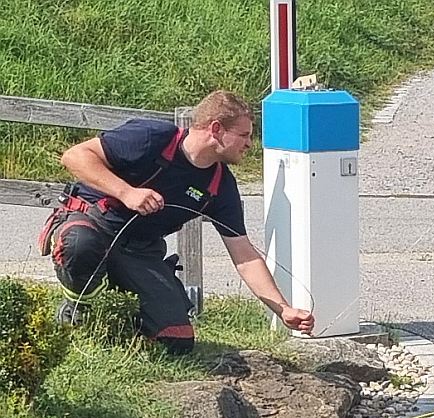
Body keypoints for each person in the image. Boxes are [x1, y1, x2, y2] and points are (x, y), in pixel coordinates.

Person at [38, 90, 314, 354]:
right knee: (79, 243)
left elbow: (245, 257)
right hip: (90, 222)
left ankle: (114, 323)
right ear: (216, 129)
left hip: (139, 251)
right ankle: (77, 309)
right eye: (244, 135)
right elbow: (74, 156)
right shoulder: (152, 136)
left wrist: (283, 309)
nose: (250, 144)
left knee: (176, 340)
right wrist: (127, 193)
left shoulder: (221, 186)